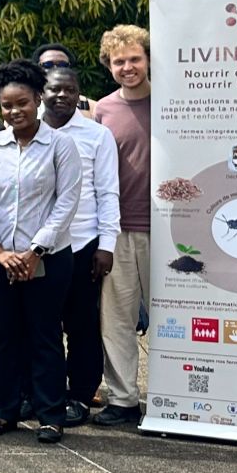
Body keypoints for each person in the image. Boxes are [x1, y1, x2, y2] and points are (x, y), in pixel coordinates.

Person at [0, 61, 81, 443]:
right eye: (6, 105)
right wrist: (0, 253)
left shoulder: (61, 145)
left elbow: (66, 203)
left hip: (48, 259)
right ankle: (4, 412)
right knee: (1, 336)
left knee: (44, 335)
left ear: (37, 100)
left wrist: (34, 251)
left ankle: (51, 414)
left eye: (22, 103)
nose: (15, 111)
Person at [42, 65, 118, 425]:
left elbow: (107, 192)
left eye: (69, 90)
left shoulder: (96, 135)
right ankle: (48, 392)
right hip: (38, 247)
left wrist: (107, 245)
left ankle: (81, 395)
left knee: (82, 326)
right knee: (42, 325)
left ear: (78, 94)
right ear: (41, 93)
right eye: (54, 90)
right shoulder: (26, 130)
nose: (61, 96)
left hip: (83, 244)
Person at [92, 25, 153, 427]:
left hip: (169, 230)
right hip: (116, 229)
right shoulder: (103, 109)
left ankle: (173, 398)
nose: (128, 67)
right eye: (119, 62)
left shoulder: (175, 102)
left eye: (135, 59)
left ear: (148, 60)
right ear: (109, 66)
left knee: (174, 320)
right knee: (116, 319)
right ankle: (123, 399)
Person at [33, 44, 94, 118]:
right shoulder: (25, 104)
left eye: (62, 65)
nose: (56, 69)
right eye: (47, 65)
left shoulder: (90, 107)